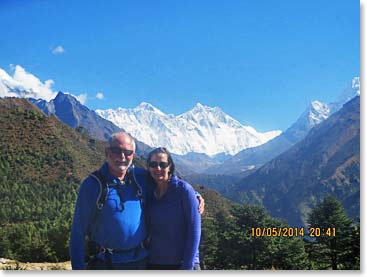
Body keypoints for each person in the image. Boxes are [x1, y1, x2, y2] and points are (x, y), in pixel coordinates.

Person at [69, 132, 204, 270]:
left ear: (133, 155)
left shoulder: (139, 177)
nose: (122, 157)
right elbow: (77, 234)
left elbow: (165, 181)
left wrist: (194, 194)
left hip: (141, 261)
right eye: (116, 150)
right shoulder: (92, 185)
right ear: (106, 152)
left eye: (127, 152)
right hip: (106, 263)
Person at [145, 147, 201, 270]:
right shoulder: (148, 191)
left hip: (183, 263)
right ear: (148, 167)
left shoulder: (183, 190)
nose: (158, 168)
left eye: (163, 164)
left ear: (170, 166)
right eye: (153, 164)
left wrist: (187, 266)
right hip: (154, 262)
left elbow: (194, 230)